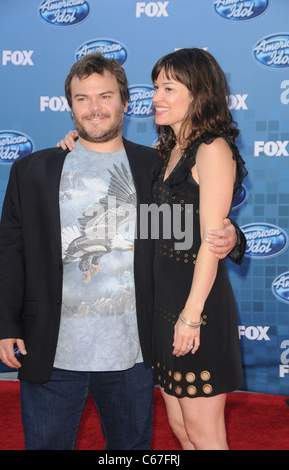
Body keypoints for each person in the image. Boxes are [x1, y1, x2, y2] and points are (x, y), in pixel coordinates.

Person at [0, 53, 245, 451]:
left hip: (134, 351)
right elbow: (11, 250)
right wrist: (5, 325)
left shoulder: (153, 166)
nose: (94, 108)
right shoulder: (35, 170)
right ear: (71, 107)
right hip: (53, 350)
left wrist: (232, 236)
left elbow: (187, 228)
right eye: (82, 99)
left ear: (125, 103)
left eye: (105, 96)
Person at [150, 48, 248, 450]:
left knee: (205, 435)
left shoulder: (212, 149)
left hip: (197, 309)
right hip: (164, 307)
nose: (156, 96)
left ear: (199, 94)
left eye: (168, 88)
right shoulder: (167, 151)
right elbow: (165, 230)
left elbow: (211, 241)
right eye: (156, 86)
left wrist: (190, 317)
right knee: (182, 428)